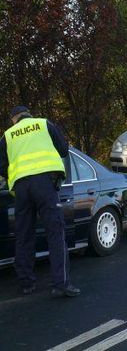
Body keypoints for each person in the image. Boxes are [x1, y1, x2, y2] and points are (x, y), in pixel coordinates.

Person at [0, 106, 80, 297]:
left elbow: (1, 166)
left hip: (21, 188)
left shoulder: (7, 136)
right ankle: (60, 284)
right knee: (55, 232)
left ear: (13, 119)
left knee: (24, 235)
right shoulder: (44, 124)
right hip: (45, 184)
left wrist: (15, 175)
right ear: (29, 114)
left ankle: (26, 283)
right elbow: (63, 149)